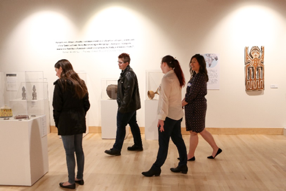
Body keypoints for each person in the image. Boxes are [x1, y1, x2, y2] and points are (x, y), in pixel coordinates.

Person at [142, 55, 188, 177]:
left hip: (168, 117)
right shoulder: (176, 76)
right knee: (178, 140)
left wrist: (161, 118)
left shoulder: (167, 78)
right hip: (177, 115)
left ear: (164, 64)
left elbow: (164, 100)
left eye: (161, 65)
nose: (160, 67)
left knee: (163, 143)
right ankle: (183, 164)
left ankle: (156, 167)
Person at [53, 59, 90, 189]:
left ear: (61, 69)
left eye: (56, 69)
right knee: (79, 150)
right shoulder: (80, 83)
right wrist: (80, 115)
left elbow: (57, 106)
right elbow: (87, 104)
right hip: (78, 121)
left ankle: (70, 181)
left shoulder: (60, 84)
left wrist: (58, 122)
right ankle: (79, 177)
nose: (56, 73)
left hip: (66, 122)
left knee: (69, 152)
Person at [182, 54, 222, 161]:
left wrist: (182, 102)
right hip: (193, 106)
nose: (191, 64)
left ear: (200, 63)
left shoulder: (200, 77)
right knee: (198, 131)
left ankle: (191, 155)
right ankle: (214, 149)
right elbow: (191, 93)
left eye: (194, 62)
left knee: (197, 131)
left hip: (197, 107)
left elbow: (192, 94)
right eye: (191, 62)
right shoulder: (196, 76)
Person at [105, 53, 143, 156]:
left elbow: (128, 93)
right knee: (133, 124)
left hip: (127, 106)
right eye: (118, 62)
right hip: (131, 106)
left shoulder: (128, 74)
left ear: (127, 63)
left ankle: (116, 149)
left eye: (121, 62)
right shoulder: (126, 73)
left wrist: (123, 107)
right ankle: (138, 145)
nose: (119, 64)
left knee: (121, 126)